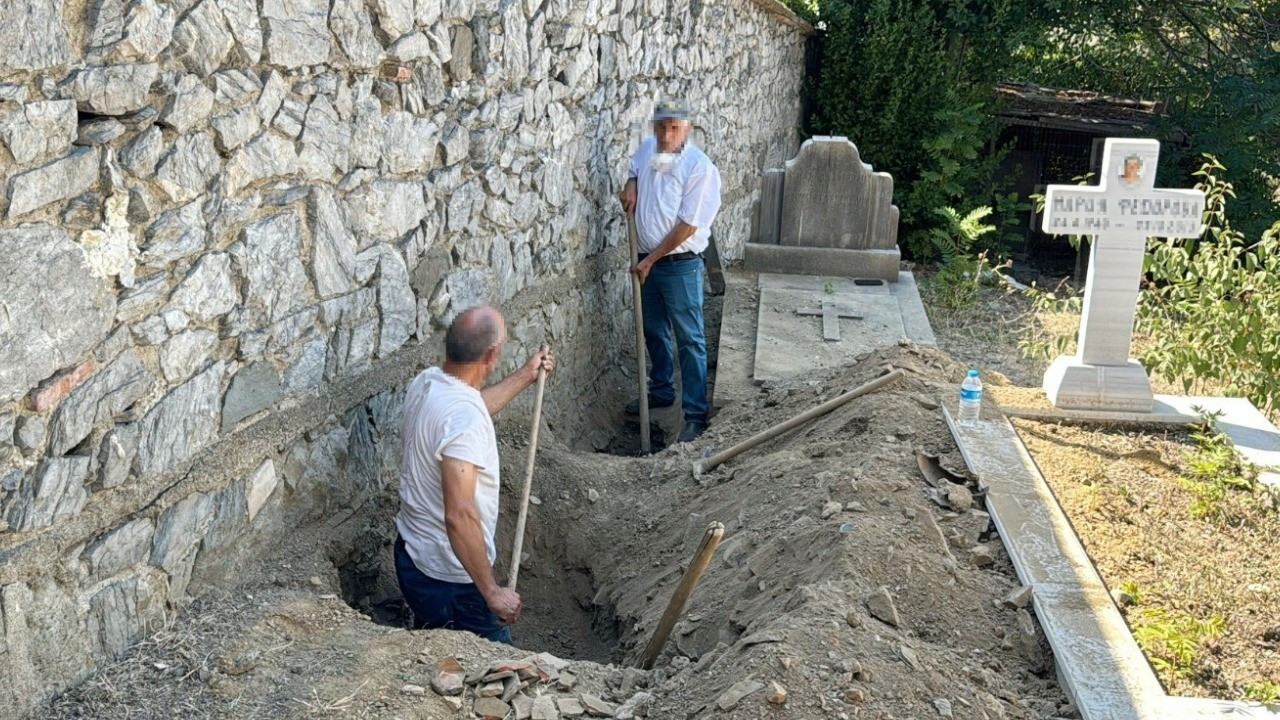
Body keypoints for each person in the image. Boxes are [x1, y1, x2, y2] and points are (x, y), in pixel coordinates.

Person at [394, 305, 555, 643]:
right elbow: (459, 515)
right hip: (451, 582)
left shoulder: (427, 383)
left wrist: (526, 376)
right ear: (492, 354)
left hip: (411, 559)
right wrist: (492, 593)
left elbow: (469, 410)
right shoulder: (463, 420)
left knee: (438, 644)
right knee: (500, 671)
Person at [618, 97, 723, 444]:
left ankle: (694, 414)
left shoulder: (699, 167)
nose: (666, 135)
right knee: (653, 330)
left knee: (689, 339)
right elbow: (635, 168)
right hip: (647, 259)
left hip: (679, 265)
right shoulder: (650, 148)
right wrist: (632, 182)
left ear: (687, 130)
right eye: (661, 127)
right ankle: (661, 390)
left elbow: (688, 226)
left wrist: (650, 260)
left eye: (673, 128)